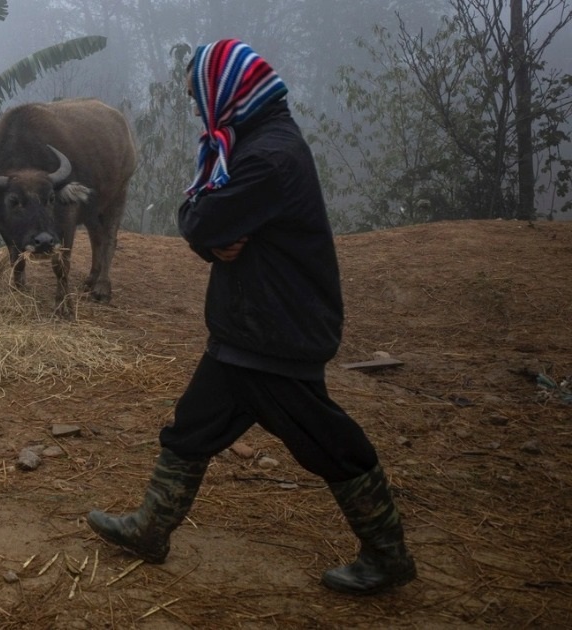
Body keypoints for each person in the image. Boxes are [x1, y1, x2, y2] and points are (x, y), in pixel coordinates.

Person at [86, 39, 416, 595]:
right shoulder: (256, 142)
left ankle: (387, 553)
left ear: (227, 91)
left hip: (274, 334)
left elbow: (198, 219)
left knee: (327, 441)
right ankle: (150, 528)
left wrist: (209, 232)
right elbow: (208, 223)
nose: (196, 106)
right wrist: (213, 236)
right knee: (192, 424)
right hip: (251, 326)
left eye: (199, 94)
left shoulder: (266, 159)